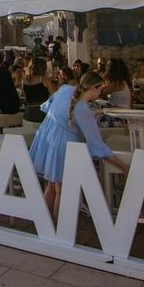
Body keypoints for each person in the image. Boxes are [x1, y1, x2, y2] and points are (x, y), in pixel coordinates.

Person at [30, 71, 130, 219]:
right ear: (94, 88)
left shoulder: (65, 89)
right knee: (62, 190)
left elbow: (46, 106)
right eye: (100, 89)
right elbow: (96, 145)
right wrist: (123, 166)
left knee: (52, 185)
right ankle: (59, 228)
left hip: (47, 135)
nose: (100, 93)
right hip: (63, 144)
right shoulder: (82, 109)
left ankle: (43, 223)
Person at [23, 58, 53, 123]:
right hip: (42, 114)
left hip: (28, 113)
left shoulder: (25, 80)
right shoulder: (44, 79)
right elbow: (54, 96)